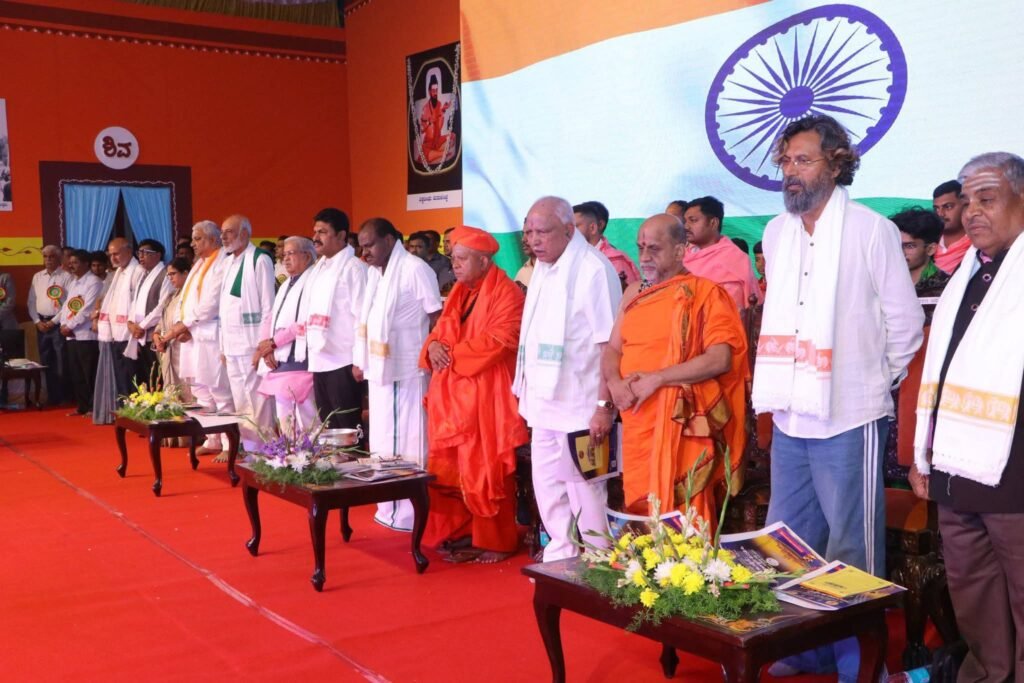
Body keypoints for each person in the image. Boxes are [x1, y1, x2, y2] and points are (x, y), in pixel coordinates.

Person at [751, 115, 923, 681]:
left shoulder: (871, 230)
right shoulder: (777, 233)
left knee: (853, 546)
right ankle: (806, 651)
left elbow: (905, 325)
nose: (790, 171)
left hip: (849, 417)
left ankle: (859, 667)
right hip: (791, 414)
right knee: (787, 542)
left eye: (803, 160)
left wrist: (867, 381)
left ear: (837, 162)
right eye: (785, 160)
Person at [910, 152, 1024, 683]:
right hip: (956, 466)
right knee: (972, 593)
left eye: (987, 198)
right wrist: (924, 454)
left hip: (1014, 471)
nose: (971, 211)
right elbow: (939, 371)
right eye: (967, 200)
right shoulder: (966, 276)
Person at [602, 214, 748, 524]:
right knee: (641, 508)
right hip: (637, 416)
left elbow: (720, 358)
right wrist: (614, 384)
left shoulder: (704, 293)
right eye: (640, 247)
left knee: (685, 514)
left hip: (681, 419)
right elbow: (613, 349)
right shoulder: (633, 293)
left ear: (680, 250)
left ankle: (687, 558)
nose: (644, 257)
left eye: (654, 248)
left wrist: (658, 379)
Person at [513, 196, 622, 562]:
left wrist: (604, 407)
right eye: (529, 232)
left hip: (582, 405)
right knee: (546, 485)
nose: (534, 240)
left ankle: (598, 561)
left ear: (568, 230)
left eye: (542, 232)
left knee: (587, 491)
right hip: (543, 403)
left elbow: (610, 345)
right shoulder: (542, 268)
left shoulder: (593, 269)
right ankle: (561, 555)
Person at [421, 226, 529, 563]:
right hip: (454, 399)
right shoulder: (460, 291)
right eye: (453, 258)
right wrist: (434, 347)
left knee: (485, 467)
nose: (454, 264)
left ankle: (496, 541)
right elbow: (440, 331)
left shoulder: (507, 293)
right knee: (454, 467)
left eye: (461, 259)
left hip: (488, 397)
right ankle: (462, 530)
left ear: (484, 261)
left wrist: (449, 355)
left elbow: (500, 341)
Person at [355, 217, 442, 531]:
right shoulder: (374, 273)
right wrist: (360, 359)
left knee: (410, 442)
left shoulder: (415, 269)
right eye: (362, 246)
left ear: (390, 240)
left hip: (408, 371)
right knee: (381, 440)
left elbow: (436, 316)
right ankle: (387, 506)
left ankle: (411, 514)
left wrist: (432, 354)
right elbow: (366, 319)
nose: (364, 252)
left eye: (370, 245)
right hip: (379, 371)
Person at [265, 207, 368, 432]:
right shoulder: (319, 268)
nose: (315, 237)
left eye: (322, 232)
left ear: (341, 235)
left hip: (344, 360)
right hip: (319, 359)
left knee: (348, 426)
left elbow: (363, 317)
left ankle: (353, 457)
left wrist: (360, 360)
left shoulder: (354, 268)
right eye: (315, 231)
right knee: (328, 426)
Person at [166, 220, 234, 457]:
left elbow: (211, 304)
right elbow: (183, 299)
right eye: (193, 239)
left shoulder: (223, 262)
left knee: (219, 390)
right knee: (200, 390)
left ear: (213, 239)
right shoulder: (198, 264)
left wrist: (183, 325)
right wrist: (180, 325)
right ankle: (212, 438)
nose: (193, 244)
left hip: (210, 335)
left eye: (198, 239)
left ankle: (229, 444)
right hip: (192, 336)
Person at [218, 215, 275, 451]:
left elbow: (268, 306)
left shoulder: (260, 259)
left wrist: (263, 345)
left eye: (229, 232)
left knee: (258, 401)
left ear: (244, 233)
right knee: (240, 401)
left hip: (251, 345)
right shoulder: (228, 262)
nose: (223, 237)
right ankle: (250, 450)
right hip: (232, 346)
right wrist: (223, 347)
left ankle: (266, 451)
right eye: (222, 232)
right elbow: (224, 308)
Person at [255, 237, 319, 438]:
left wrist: (274, 343)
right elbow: (271, 317)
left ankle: (309, 457)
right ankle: (291, 456)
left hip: (301, 361)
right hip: (279, 360)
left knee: (307, 423)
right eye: (284, 254)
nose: (285, 258)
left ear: (307, 256)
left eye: (291, 253)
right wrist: (265, 347)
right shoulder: (285, 285)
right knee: (285, 422)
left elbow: (305, 322)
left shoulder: (314, 281)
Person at [94, 237, 143, 423]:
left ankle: (139, 417)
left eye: (116, 254)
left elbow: (138, 303)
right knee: (122, 378)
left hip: (130, 335)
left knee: (134, 378)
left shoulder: (137, 271)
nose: (113, 258)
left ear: (129, 252)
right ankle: (127, 416)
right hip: (116, 334)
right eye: (110, 254)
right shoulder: (118, 273)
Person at [682, 196, 762, 310]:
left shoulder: (734, 259)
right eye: (685, 221)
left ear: (713, 222)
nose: (686, 226)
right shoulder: (683, 256)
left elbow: (732, 308)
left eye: (693, 220)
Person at [56, 249, 103, 417]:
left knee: (89, 372)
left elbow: (88, 309)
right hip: (71, 335)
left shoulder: (94, 282)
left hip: (86, 334)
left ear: (86, 264)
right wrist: (63, 324)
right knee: (76, 373)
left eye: (75, 262)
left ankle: (93, 407)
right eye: (70, 262)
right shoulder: (74, 282)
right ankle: (82, 405)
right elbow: (66, 306)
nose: (71, 266)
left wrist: (70, 326)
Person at [28, 244, 72, 405]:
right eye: (45, 256)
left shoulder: (66, 277)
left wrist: (53, 322)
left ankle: (64, 397)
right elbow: (31, 301)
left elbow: (69, 303)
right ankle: (52, 397)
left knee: (61, 361)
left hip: (58, 324)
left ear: (59, 258)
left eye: (52, 256)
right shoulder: (37, 276)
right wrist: (37, 321)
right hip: (41, 324)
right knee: (46, 361)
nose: (48, 260)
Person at [125, 239, 171, 389]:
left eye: (145, 253)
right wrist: (131, 323)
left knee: (158, 377)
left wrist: (142, 326)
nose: (141, 256)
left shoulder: (165, 274)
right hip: (140, 334)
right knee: (145, 377)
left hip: (155, 334)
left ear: (158, 255)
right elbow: (135, 302)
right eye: (139, 252)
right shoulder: (143, 275)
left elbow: (163, 305)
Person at [892, 208, 950, 322]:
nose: (901, 252)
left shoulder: (948, 287)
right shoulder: (885, 284)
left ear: (930, 249)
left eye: (909, 246)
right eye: (896, 244)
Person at [151, 257, 194, 406]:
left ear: (185, 273)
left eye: (173, 274)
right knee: (172, 398)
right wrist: (156, 336)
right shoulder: (171, 296)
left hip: (183, 350)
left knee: (188, 394)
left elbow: (192, 321)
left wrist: (173, 334)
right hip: (167, 352)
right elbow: (160, 324)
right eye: (168, 275)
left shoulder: (192, 295)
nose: (170, 278)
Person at [574, 201, 640, 288]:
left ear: (593, 227)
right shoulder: (571, 259)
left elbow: (630, 295)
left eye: (575, 226)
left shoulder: (616, 261)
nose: (569, 232)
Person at [932, 179, 970, 274]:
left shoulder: (977, 245)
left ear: (965, 206)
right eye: (936, 209)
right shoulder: (927, 241)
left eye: (948, 207)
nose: (940, 214)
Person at [417, 76, 456, 165]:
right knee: (423, 152)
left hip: (437, 139)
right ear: (429, 91)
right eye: (433, 90)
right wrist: (429, 122)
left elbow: (439, 123)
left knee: (452, 135)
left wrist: (443, 110)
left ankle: (439, 152)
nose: (435, 93)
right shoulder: (425, 109)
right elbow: (422, 130)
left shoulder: (439, 104)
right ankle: (441, 153)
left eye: (436, 90)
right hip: (429, 142)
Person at [420, 229, 456, 294]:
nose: (444, 245)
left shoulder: (445, 263)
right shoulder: (445, 269)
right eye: (444, 242)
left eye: (448, 241)